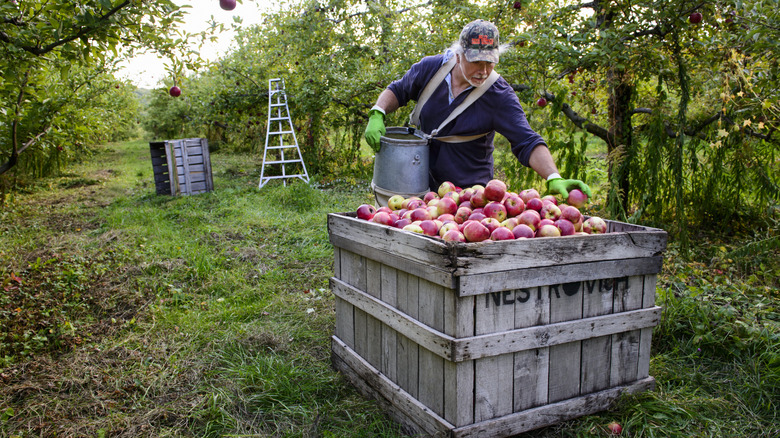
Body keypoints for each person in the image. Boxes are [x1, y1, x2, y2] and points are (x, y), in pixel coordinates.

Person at [364, 19, 591, 199]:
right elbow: (398, 89)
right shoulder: (431, 69)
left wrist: (553, 176)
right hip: (418, 185)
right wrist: (378, 112)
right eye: (476, 62)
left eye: (489, 62)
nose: (483, 70)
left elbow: (527, 140)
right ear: (459, 55)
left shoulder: (498, 95)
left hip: (467, 197)